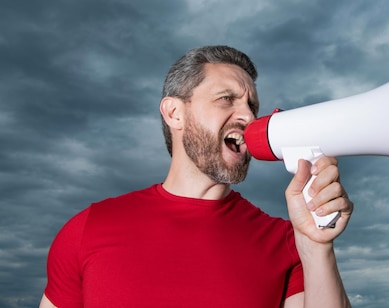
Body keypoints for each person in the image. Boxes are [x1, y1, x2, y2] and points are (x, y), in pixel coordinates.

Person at [40, 45, 353, 307]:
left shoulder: (286, 241)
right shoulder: (88, 229)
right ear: (175, 113)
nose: (248, 116)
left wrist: (316, 245)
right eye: (226, 99)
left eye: (251, 105)